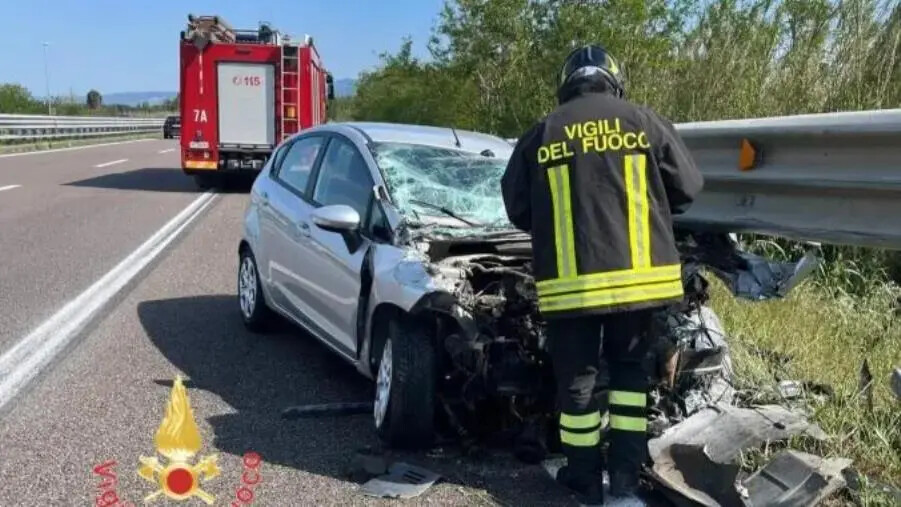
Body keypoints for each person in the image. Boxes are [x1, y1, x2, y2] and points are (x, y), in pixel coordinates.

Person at [500, 45, 703, 505]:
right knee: (631, 379)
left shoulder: (541, 133)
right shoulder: (643, 122)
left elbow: (518, 210)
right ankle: (627, 478)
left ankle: (584, 481)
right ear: (614, 79)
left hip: (569, 289)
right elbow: (688, 189)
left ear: (566, 82)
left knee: (577, 384)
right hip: (642, 285)